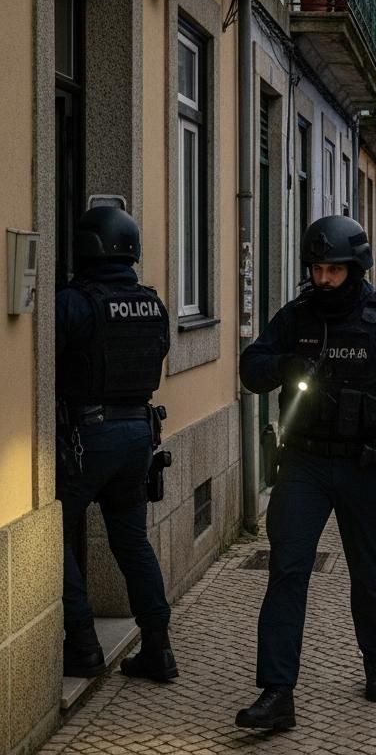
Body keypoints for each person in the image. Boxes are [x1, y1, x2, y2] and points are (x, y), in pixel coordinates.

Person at [235, 215, 376, 731]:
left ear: (356, 268)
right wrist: (284, 366)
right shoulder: (296, 316)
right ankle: (276, 691)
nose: (323, 279)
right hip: (305, 464)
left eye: (333, 269)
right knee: (287, 569)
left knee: (370, 569)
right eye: (316, 269)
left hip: (365, 465)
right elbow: (250, 368)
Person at [56, 206, 176, 681]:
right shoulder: (152, 302)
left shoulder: (73, 301)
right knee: (132, 543)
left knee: (51, 536)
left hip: (88, 438)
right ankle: (159, 649)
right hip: (138, 438)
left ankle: (83, 645)